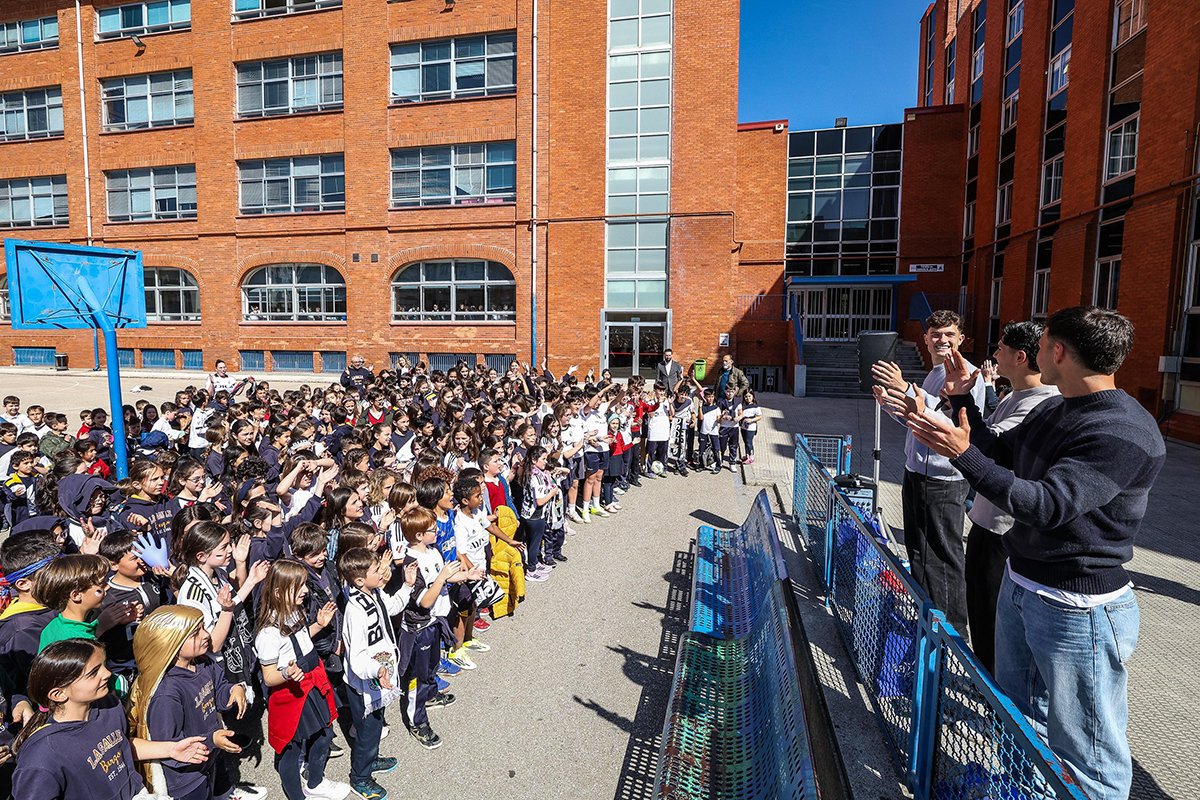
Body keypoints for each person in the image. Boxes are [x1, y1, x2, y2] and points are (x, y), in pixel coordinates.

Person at [902, 306, 1165, 800]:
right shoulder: (1055, 409)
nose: (1033, 351)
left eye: (1041, 344)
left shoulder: (1121, 429)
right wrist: (962, 401)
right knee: (1020, 722)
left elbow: (1046, 505)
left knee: (1088, 755)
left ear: (1058, 352)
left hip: (1076, 609)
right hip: (1023, 585)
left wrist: (961, 455)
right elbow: (1000, 452)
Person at [870, 309, 986, 634]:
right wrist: (890, 405)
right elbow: (919, 421)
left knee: (943, 559)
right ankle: (926, 621)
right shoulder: (935, 373)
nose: (942, 340)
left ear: (961, 338)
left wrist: (905, 388)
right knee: (920, 554)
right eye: (936, 335)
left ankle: (951, 637)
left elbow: (954, 426)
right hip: (917, 474)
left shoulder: (967, 375)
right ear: (925, 339)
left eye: (949, 334)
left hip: (943, 480)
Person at [956, 322, 1058, 673]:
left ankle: (994, 694)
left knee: (993, 619)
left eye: (1000, 348)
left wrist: (961, 402)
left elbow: (990, 449)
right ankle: (985, 681)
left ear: (1020, 356)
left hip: (1005, 532)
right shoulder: (1014, 396)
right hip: (986, 523)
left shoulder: (1041, 404)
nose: (994, 354)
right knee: (980, 610)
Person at [12, 638, 211, 800]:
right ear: (58, 694)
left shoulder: (109, 705)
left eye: (104, 665)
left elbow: (119, 745)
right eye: (93, 673)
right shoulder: (42, 756)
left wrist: (170, 749)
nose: (107, 673)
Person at [127, 604, 255, 800]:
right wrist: (212, 740)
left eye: (203, 627)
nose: (206, 635)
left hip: (209, 756)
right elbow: (169, 743)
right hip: (186, 779)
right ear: (170, 642)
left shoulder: (204, 663)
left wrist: (232, 690)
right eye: (195, 633)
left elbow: (219, 691)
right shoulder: (166, 693)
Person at [255, 560, 349, 800]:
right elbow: (269, 676)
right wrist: (286, 674)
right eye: (298, 586)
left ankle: (315, 782)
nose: (305, 590)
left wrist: (318, 625)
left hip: (312, 682)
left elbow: (301, 637)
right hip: (292, 693)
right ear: (279, 592)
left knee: (325, 734)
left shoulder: (295, 611)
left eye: (304, 584)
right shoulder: (268, 632)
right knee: (291, 749)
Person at [337, 547, 403, 800]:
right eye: (376, 570)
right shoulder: (355, 610)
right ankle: (360, 777)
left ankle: (371, 759)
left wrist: (407, 586)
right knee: (367, 731)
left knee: (375, 725)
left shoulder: (373, 593)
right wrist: (377, 669)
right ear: (359, 580)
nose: (381, 573)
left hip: (379, 677)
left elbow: (390, 611)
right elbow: (356, 658)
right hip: (366, 681)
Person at [739, 389, 762, 465]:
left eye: (749, 396)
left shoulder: (756, 407)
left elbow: (759, 416)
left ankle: (751, 457)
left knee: (749, 442)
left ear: (753, 397)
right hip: (743, 426)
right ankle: (747, 455)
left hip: (751, 427)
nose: (748, 398)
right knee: (745, 442)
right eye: (746, 396)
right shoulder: (742, 406)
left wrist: (751, 420)